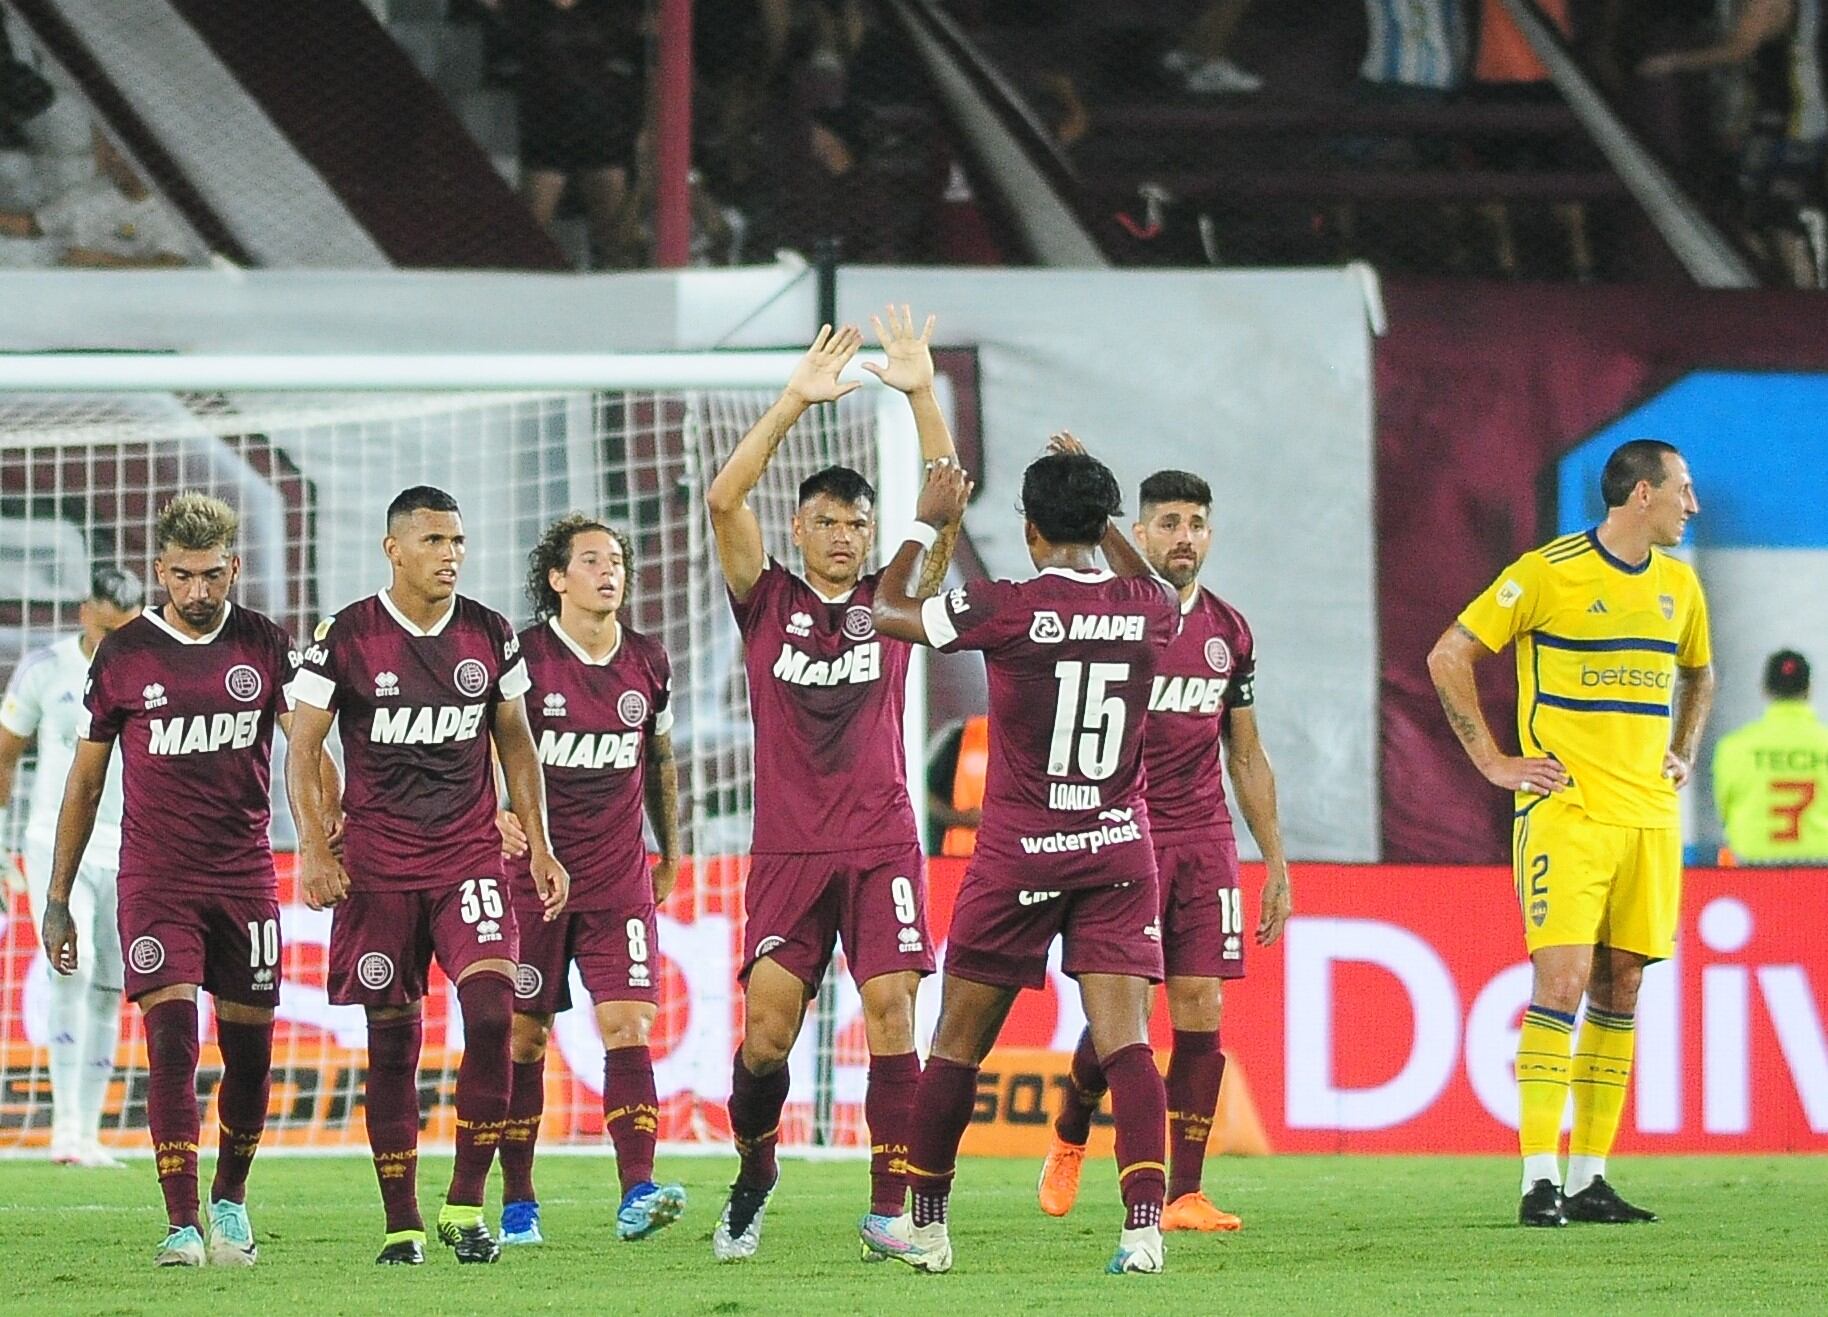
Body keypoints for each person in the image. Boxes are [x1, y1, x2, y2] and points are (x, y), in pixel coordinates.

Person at [863, 436, 1179, 1277]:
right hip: (1117, 848)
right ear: (1103, 521)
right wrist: (1106, 514)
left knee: (957, 1047)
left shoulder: (1003, 604)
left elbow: (885, 613)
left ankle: (926, 1230)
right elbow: (1145, 583)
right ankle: (1143, 1231)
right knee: (1128, 1046)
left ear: (1031, 529)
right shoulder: (1151, 608)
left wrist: (928, 528)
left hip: (1019, 857)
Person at [702, 307, 958, 1262]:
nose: (846, 536)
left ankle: (895, 1207)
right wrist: (793, 400)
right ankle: (756, 1165)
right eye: (830, 522)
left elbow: (945, 501)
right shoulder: (766, 598)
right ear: (801, 528)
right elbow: (726, 502)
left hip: (882, 840)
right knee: (766, 1039)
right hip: (787, 852)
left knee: (892, 1012)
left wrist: (921, 389)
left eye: (858, 522)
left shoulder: (895, 601)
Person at [40, 493, 333, 1266]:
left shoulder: (265, 644)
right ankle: (182, 1222)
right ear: (159, 570)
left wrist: (324, 838)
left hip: (244, 880)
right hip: (155, 881)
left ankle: (231, 1200)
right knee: (171, 1039)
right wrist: (58, 896)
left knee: (250, 1055)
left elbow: (307, 748)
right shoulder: (126, 653)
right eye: (182, 576)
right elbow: (84, 780)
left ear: (233, 566)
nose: (198, 593)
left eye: (211, 575)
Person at [1427, 439, 1714, 1228]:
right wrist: (1492, 761)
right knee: (1559, 984)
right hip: (1569, 812)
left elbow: (1701, 672)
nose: (1694, 506)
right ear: (1644, 493)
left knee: (1622, 988)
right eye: (1684, 490)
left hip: (1648, 818)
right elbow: (1449, 655)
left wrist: (1683, 750)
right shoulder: (1547, 572)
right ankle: (1536, 1179)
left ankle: (1590, 1176)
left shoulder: (1680, 589)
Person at [285, 486, 569, 1266]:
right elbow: (302, 746)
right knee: (391, 1046)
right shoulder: (345, 636)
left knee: (491, 1013)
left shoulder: (489, 631)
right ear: (395, 549)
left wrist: (538, 843)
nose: (452, 554)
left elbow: (516, 742)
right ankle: (402, 1222)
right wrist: (313, 845)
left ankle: (464, 1204)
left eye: (459, 541)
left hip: (468, 858)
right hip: (378, 870)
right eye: (437, 540)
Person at [1039, 468, 1293, 1232]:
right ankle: (1073, 1125)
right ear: (1141, 533)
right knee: (1129, 1010)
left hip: (1206, 839)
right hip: (1127, 835)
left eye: (1196, 522)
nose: (1185, 536)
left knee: (1201, 1004)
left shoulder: (1229, 633)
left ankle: (1185, 1192)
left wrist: (1274, 861)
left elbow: (1245, 756)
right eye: (1169, 522)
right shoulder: (1122, 619)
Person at [493, 515, 687, 1246]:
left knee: (629, 1024)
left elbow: (660, 762)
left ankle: (638, 1188)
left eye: (618, 560)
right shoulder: (524, 656)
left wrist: (672, 849)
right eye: (592, 560)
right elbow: (487, 743)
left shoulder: (647, 660)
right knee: (525, 1037)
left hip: (617, 876)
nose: (610, 572)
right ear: (556, 577)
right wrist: (494, 813)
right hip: (532, 878)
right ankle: (518, 1201)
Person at [0, 566, 142, 1167]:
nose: (114, 641)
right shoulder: (44, 669)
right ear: (87, 612)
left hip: (127, 844)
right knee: (73, 968)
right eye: (107, 628)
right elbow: (5, 757)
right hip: (52, 841)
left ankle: (88, 1132)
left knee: (111, 985)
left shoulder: (149, 670)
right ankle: (63, 1129)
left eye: (126, 630)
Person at [1712, 649, 1828, 862]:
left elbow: (1725, 814)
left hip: (1755, 875)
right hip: (1822, 872)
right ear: (1810, 689)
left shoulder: (1734, 747)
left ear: (1764, 689)